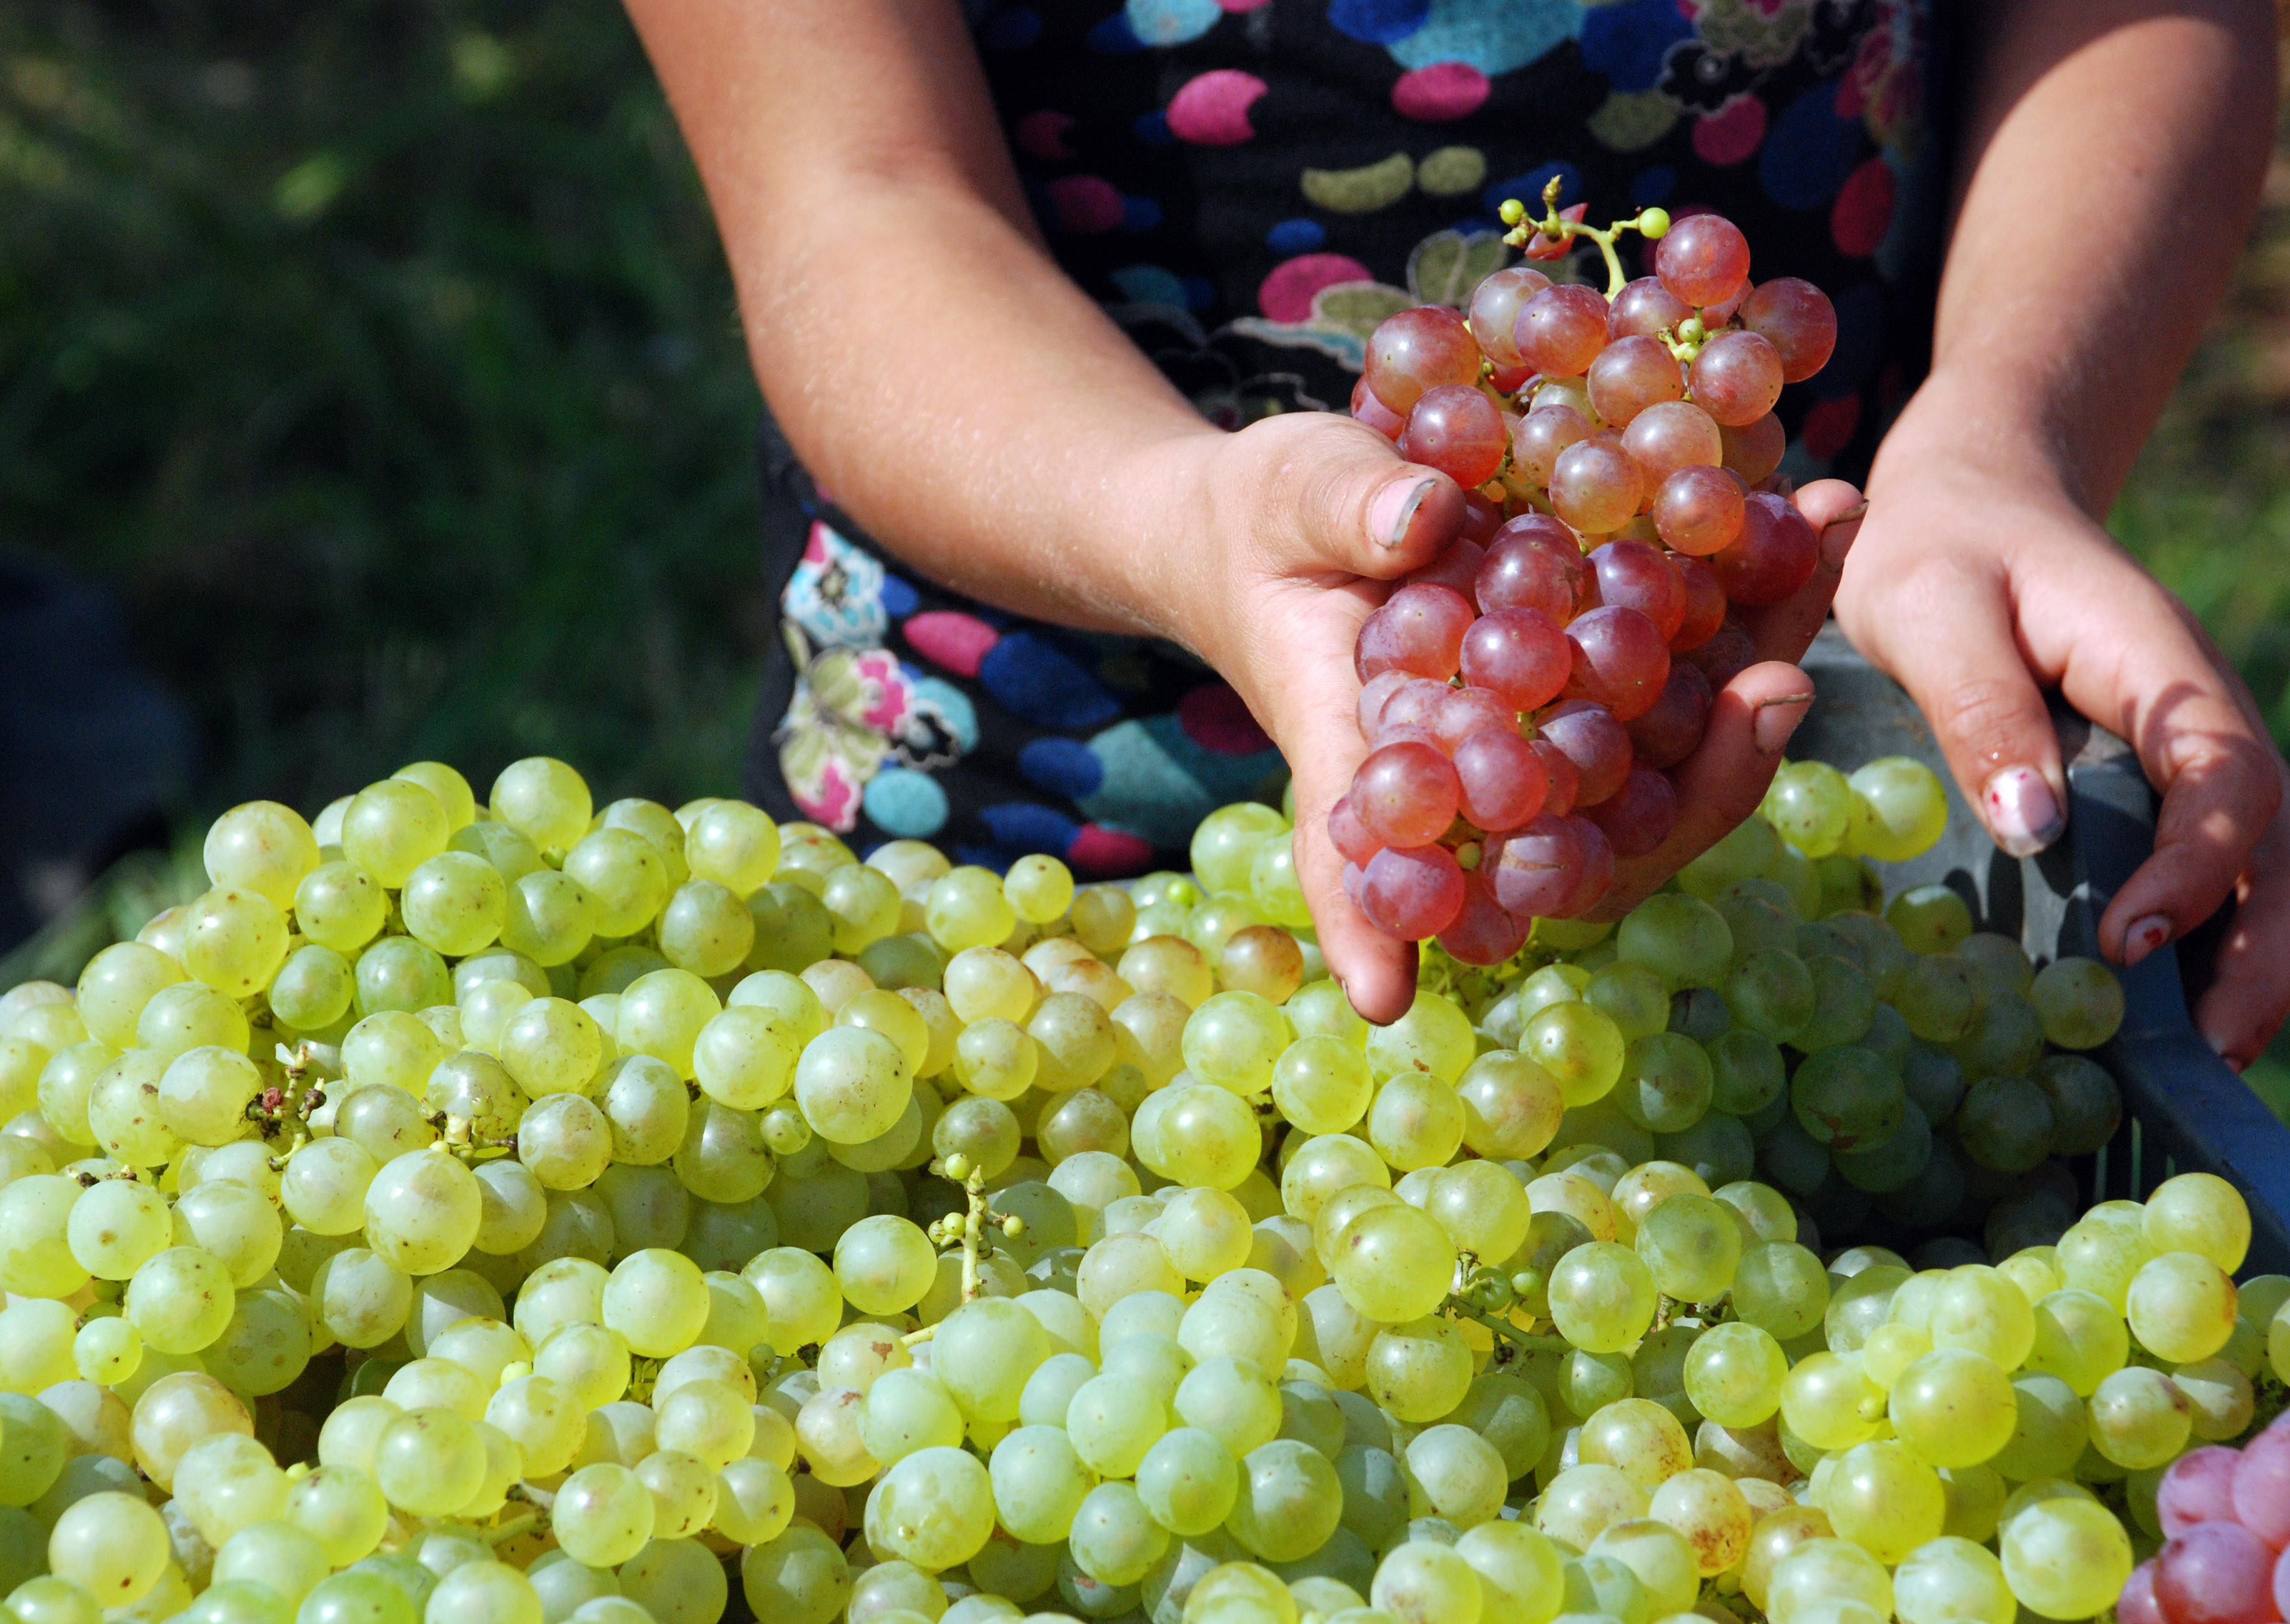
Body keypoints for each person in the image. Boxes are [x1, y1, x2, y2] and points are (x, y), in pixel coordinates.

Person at [623, 0, 2288, 1062]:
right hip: (1029, 798)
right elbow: (857, 195)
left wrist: (2007, 425)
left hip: (1797, 716)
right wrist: (1175, 521)